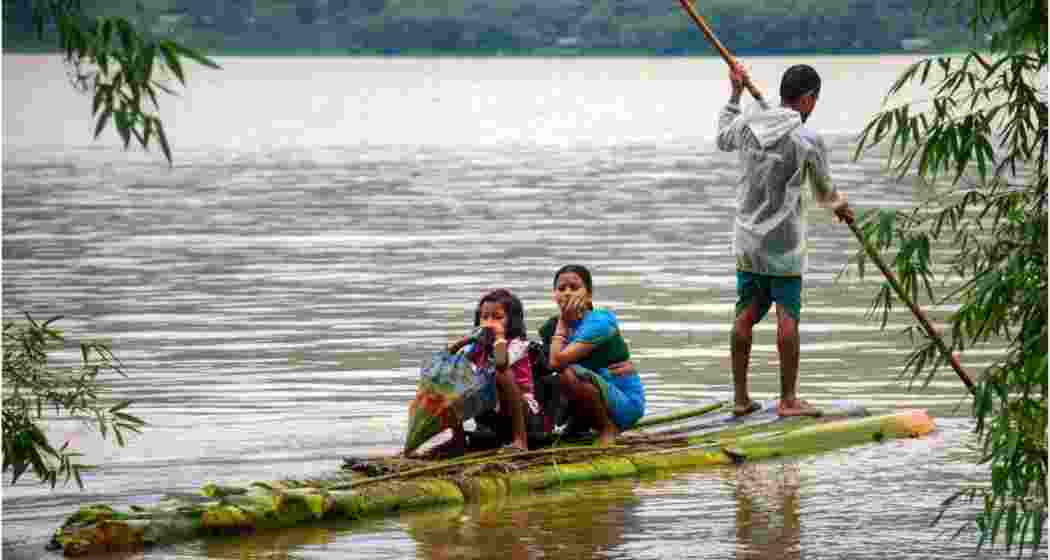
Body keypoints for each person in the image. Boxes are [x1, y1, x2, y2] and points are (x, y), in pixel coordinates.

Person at [716, 63, 855, 418]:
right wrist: (842, 207)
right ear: (807, 99)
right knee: (787, 316)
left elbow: (722, 137)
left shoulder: (749, 121)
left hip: (747, 240)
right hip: (784, 244)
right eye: (815, 100)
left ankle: (740, 397)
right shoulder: (806, 139)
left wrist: (734, 94)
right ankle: (788, 399)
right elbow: (824, 192)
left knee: (745, 313)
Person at [540, 264, 645, 446]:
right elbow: (549, 366)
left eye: (574, 287)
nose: (567, 293)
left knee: (568, 372)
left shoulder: (600, 321)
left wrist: (563, 322)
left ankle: (607, 429)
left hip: (624, 402)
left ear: (588, 295)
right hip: (594, 394)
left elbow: (557, 362)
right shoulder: (552, 326)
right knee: (545, 374)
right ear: (554, 294)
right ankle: (576, 425)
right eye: (561, 288)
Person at [436, 289, 535, 455]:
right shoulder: (477, 347)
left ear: (511, 321)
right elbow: (444, 360)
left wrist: (499, 337)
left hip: (522, 412)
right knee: (450, 375)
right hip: (489, 412)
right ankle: (458, 440)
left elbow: (501, 363)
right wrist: (467, 339)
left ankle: (520, 440)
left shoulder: (517, 344)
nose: (490, 322)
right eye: (485, 317)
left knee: (501, 373)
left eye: (497, 317)